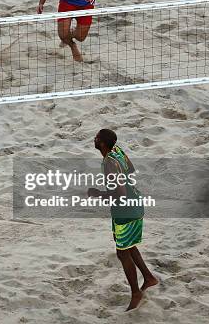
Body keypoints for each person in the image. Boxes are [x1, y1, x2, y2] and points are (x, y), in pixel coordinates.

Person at [87, 129, 158, 311]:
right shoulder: (117, 151)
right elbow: (131, 170)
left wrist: (98, 194)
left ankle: (136, 293)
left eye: (97, 138)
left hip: (125, 211)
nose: (94, 140)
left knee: (122, 253)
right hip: (136, 204)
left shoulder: (110, 163)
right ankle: (149, 278)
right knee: (129, 245)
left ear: (102, 143)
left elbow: (119, 194)